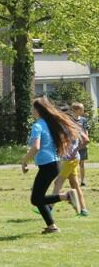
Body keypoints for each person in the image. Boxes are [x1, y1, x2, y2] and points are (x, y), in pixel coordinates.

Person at [21, 98, 82, 234]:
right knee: (38, 197)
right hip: (53, 164)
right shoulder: (48, 124)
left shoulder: (37, 126)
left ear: (37, 110)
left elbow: (36, 147)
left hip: (48, 165)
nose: (32, 110)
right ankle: (52, 226)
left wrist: (24, 161)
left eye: (33, 108)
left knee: (36, 199)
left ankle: (67, 196)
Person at [50, 112, 89, 216]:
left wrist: (75, 150)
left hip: (70, 160)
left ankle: (49, 208)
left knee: (58, 182)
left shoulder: (71, 128)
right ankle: (84, 210)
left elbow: (86, 140)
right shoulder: (65, 128)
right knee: (75, 185)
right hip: (69, 159)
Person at [72, 103, 90, 186]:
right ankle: (74, 180)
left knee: (82, 163)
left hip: (82, 145)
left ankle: (82, 181)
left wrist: (86, 140)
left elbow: (86, 130)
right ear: (76, 110)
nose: (83, 111)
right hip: (72, 145)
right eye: (81, 109)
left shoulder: (83, 120)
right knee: (72, 163)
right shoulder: (70, 119)